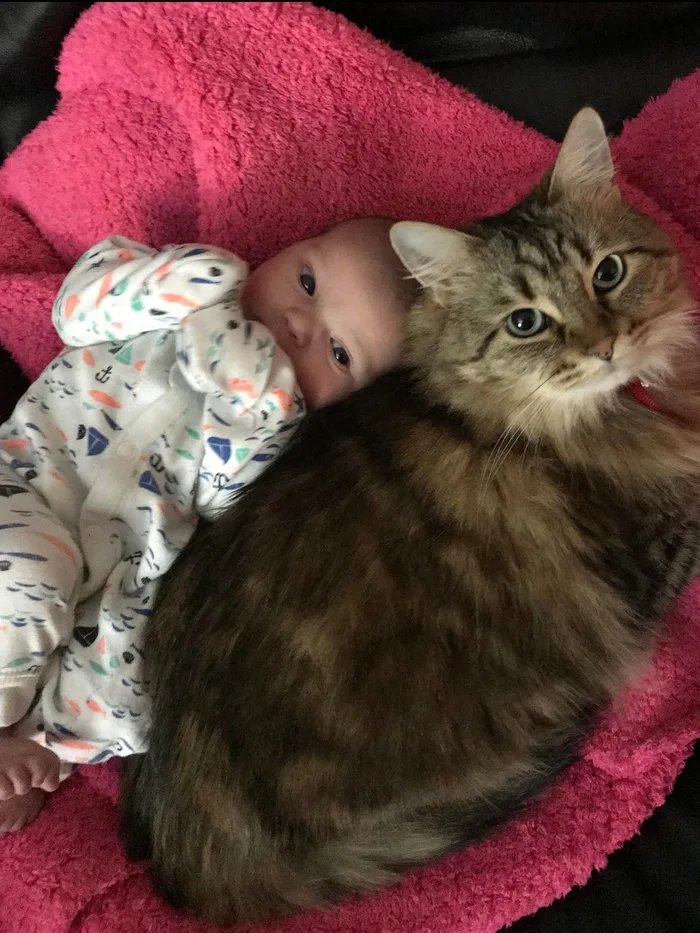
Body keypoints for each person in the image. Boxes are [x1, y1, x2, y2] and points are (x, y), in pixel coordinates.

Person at [0, 216, 413, 830]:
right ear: (286, 247)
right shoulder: (179, 290)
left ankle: (44, 743)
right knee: (30, 572)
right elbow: (75, 313)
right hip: (24, 485)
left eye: (339, 352)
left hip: (124, 570)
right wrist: (185, 284)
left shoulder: (280, 436)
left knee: (132, 698)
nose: (299, 324)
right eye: (306, 281)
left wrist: (256, 407)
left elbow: (224, 506)